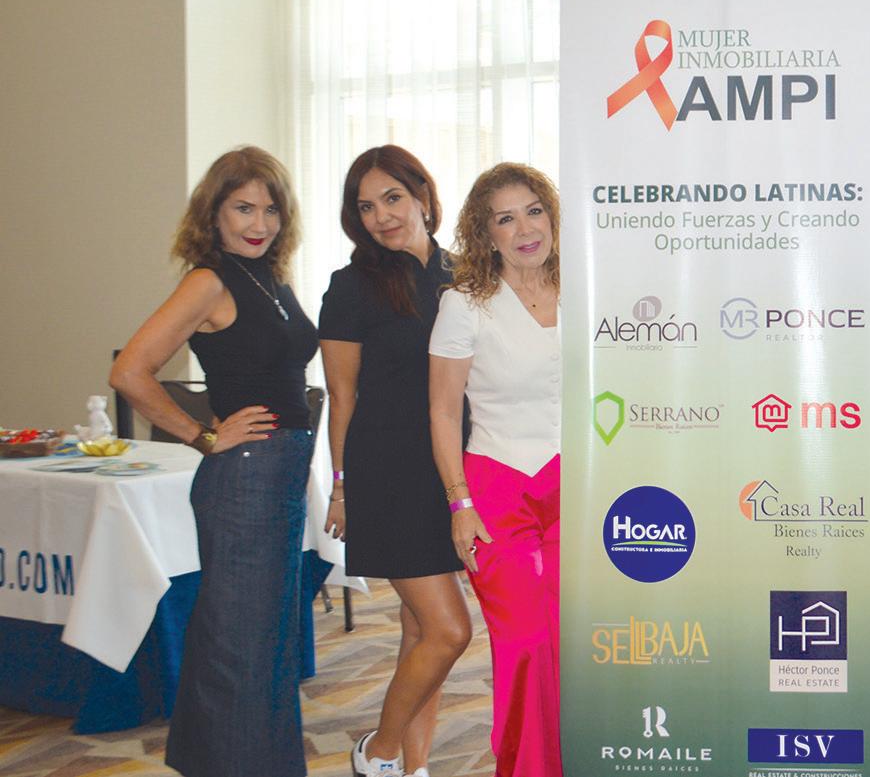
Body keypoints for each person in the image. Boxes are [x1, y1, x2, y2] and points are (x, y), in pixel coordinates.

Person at [108, 146, 318, 777]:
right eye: (243, 208)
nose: (260, 223)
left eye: (271, 210)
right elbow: (130, 371)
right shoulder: (209, 281)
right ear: (214, 213)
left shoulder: (270, 276)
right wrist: (201, 435)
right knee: (242, 647)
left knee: (260, 641)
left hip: (279, 475)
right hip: (245, 479)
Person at [318, 146, 471, 777]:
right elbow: (342, 396)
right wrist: (341, 488)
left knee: (419, 634)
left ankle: (413, 768)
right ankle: (377, 751)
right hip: (387, 473)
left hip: (449, 472)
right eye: (366, 206)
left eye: (392, 198)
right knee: (449, 630)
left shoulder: (465, 274)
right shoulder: (351, 286)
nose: (381, 216)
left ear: (424, 197)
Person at [428, 162, 561, 776]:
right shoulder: (464, 305)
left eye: (534, 211)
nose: (525, 229)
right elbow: (442, 411)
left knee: (572, 639)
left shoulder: (589, 289)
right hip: (496, 489)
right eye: (506, 219)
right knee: (526, 640)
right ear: (486, 236)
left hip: (579, 488)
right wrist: (459, 503)